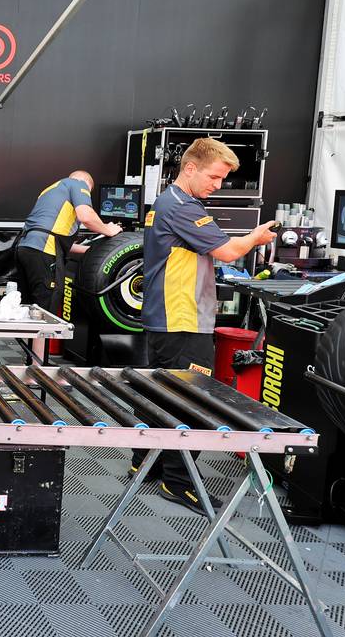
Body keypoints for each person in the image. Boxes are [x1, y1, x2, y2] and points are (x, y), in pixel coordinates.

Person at [134, 137, 276, 511]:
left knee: (160, 391)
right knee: (192, 401)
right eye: (214, 177)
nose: (217, 185)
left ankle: (144, 462)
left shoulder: (171, 202)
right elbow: (228, 251)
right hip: (181, 317)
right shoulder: (181, 206)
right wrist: (256, 237)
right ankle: (179, 483)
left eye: (223, 179)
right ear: (190, 168)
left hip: (168, 316)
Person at [16, 171, 123, 356]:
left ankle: (29, 362)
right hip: (44, 251)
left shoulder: (50, 190)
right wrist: (109, 230)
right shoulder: (77, 184)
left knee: (32, 311)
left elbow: (58, 239)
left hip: (25, 248)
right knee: (44, 313)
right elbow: (86, 217)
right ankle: (37, 370)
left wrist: (94, 251)